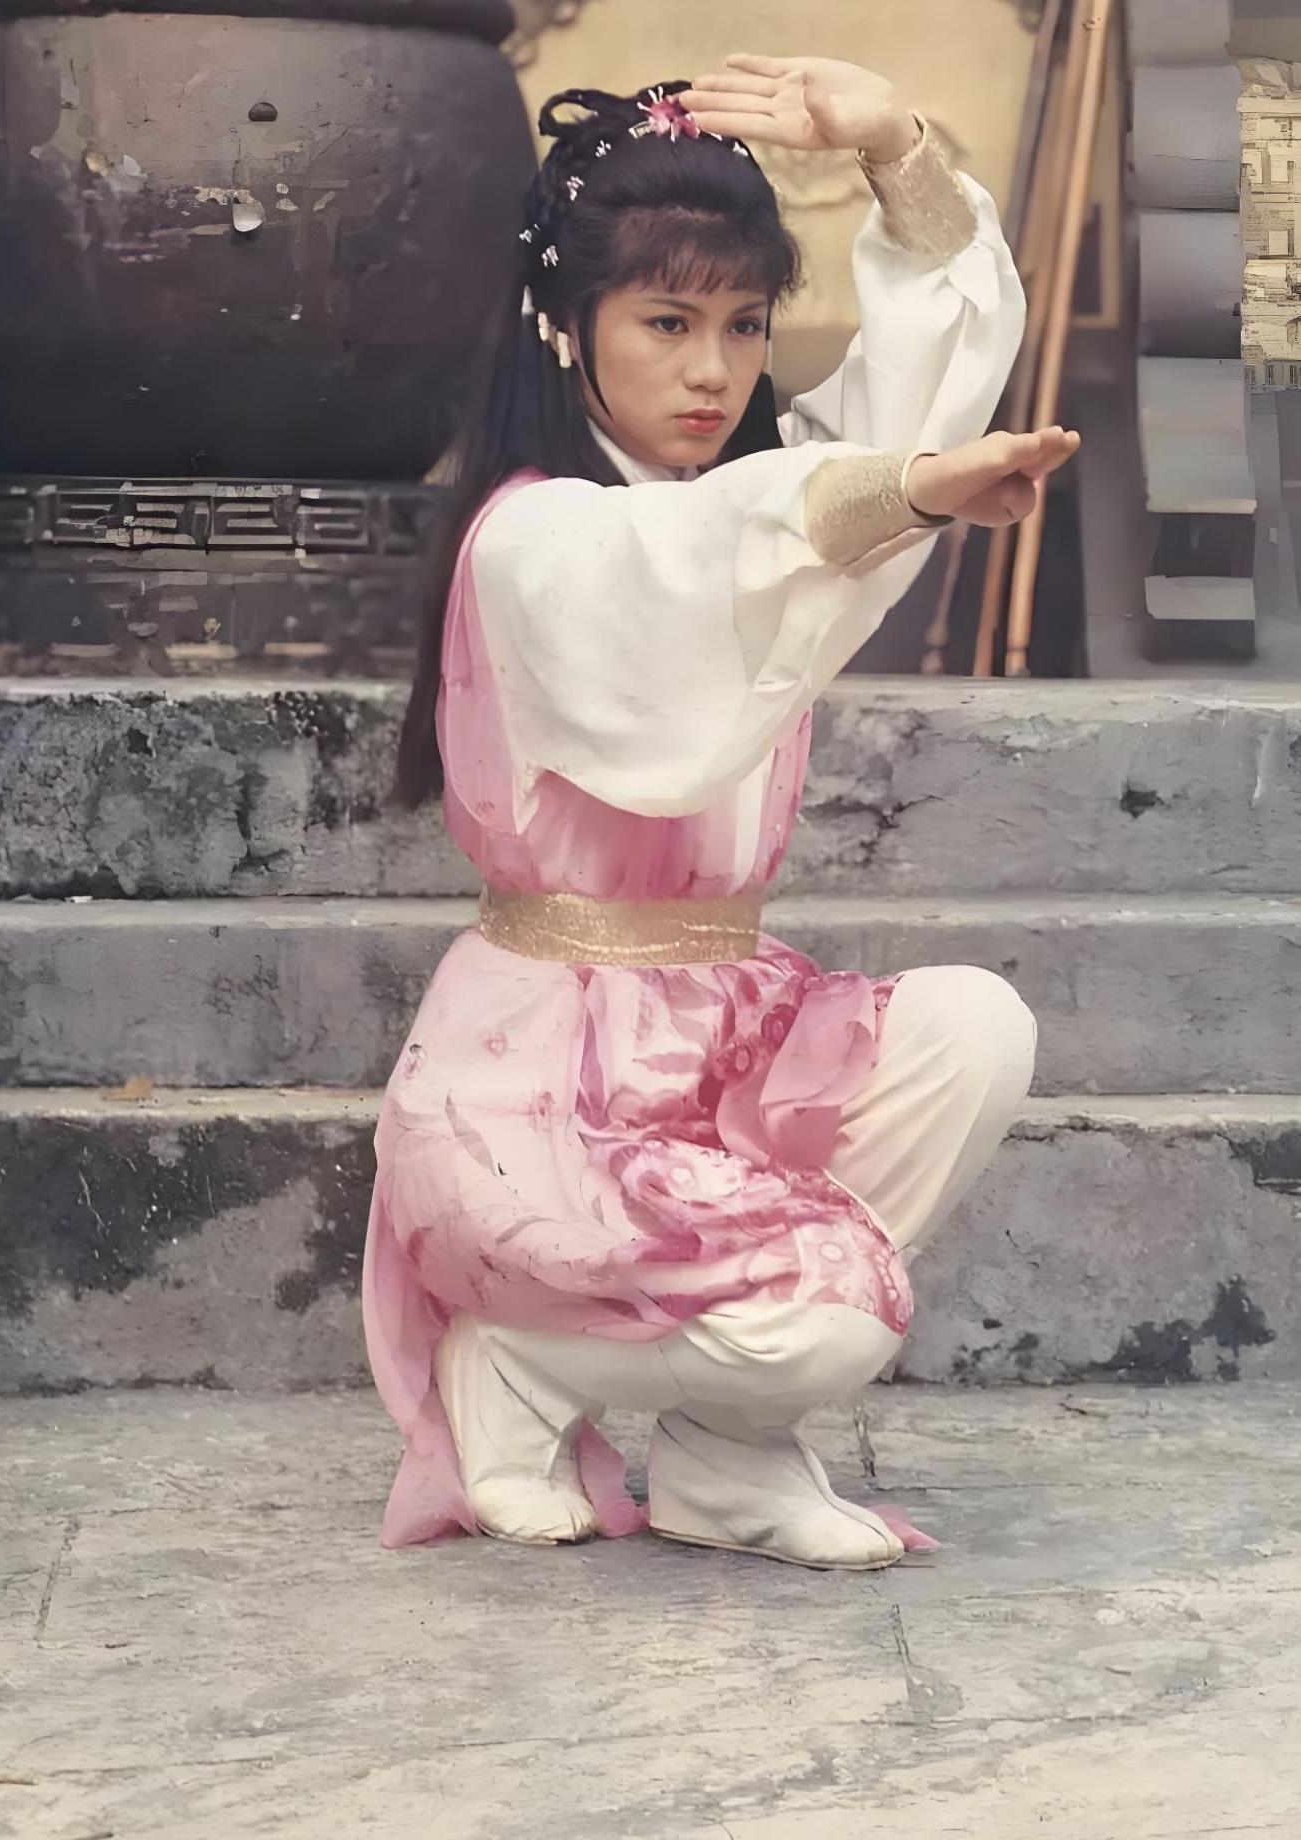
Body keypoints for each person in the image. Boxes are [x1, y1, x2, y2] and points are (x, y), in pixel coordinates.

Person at [364, 54, 1077, 1571]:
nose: (713, 370)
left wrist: (894, 147)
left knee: (975, 1030)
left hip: (724, 1023)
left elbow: (874, 437)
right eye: (666, 323)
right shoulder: (534, 537)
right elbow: (707, 554)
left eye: (745, 325)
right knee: (833, 1328)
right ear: (569, 326)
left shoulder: (744, 502)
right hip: (543, 1080)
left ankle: (719, 1458)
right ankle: (519, 1359)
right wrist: (906, 493)